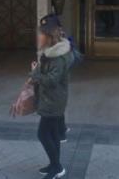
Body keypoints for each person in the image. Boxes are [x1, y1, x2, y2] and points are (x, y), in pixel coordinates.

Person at [30, 14, 73, 179]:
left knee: (43, 134)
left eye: (41, 33)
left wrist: (35, 73)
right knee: (53, 133)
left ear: (49, 36)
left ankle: (57, 166)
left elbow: (51, 81)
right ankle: (54, 165)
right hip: (51, 100)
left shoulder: (58, 57)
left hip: (53, 102)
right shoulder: (49, 53)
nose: (38, 36)